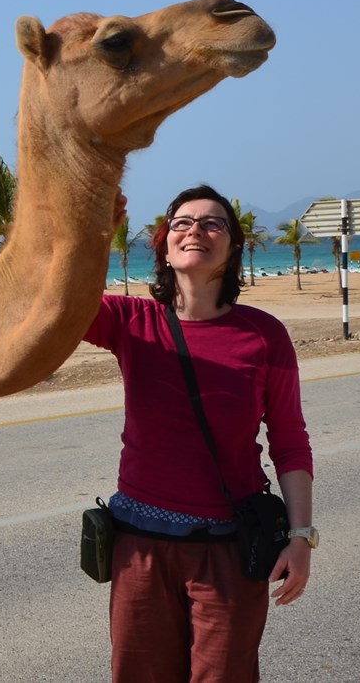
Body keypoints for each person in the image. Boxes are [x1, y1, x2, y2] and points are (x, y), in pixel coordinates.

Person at [83, 185, 315, 682]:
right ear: (165, 247)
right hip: (140, 551)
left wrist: (300, 537)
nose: (196, 230)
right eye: (182, 223)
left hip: (231, 550)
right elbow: (56, 300)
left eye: (214, 224)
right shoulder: (129, 321)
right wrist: (95, 228)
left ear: (232, 249)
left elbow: (290, 440)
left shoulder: (263, 334)